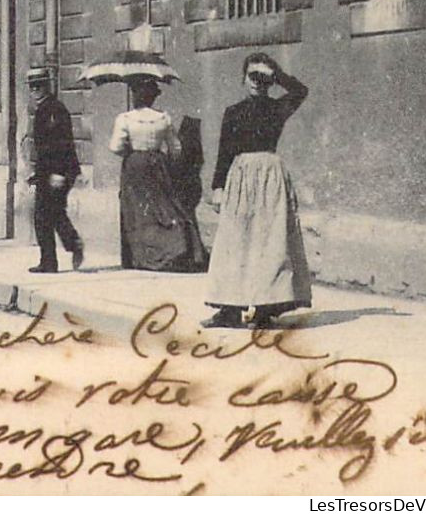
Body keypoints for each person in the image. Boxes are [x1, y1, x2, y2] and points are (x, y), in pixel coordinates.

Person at [203, 54, 311, 329]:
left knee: (270, 242)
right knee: (235, 241)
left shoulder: (277, 108)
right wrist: (218, 187)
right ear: (243, 78)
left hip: (270, 179)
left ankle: (265, 307)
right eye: (252, 76)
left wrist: (276, 73)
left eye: (262, 78)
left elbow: (300, 91)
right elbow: (224, 151)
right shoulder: (233, 112)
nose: (256, 82)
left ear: (270, 81)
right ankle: (229, 309)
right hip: (239, 177)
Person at [110, 77, 208, 272]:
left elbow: (115, 147)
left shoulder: (125, 118)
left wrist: (130, 150)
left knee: (137, 212)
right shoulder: (163, 118)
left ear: (135, 94)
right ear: (153, 96)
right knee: (163, 208)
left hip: (134, 166)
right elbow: (176, 148)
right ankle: (174, 249)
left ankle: (140, 257)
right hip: (158, 165)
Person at [25, 66, 84, 274]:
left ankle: (57, 256)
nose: (35, 90)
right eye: (32, 86)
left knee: (44, 215)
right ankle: (63, 250)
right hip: (48, 173)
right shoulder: (43, 109)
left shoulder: (54, 109)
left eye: (39, 85)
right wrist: (37, 173)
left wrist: (58, 173)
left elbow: (61, 144)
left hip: (58, 172)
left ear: (47, 86)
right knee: (52, 213)